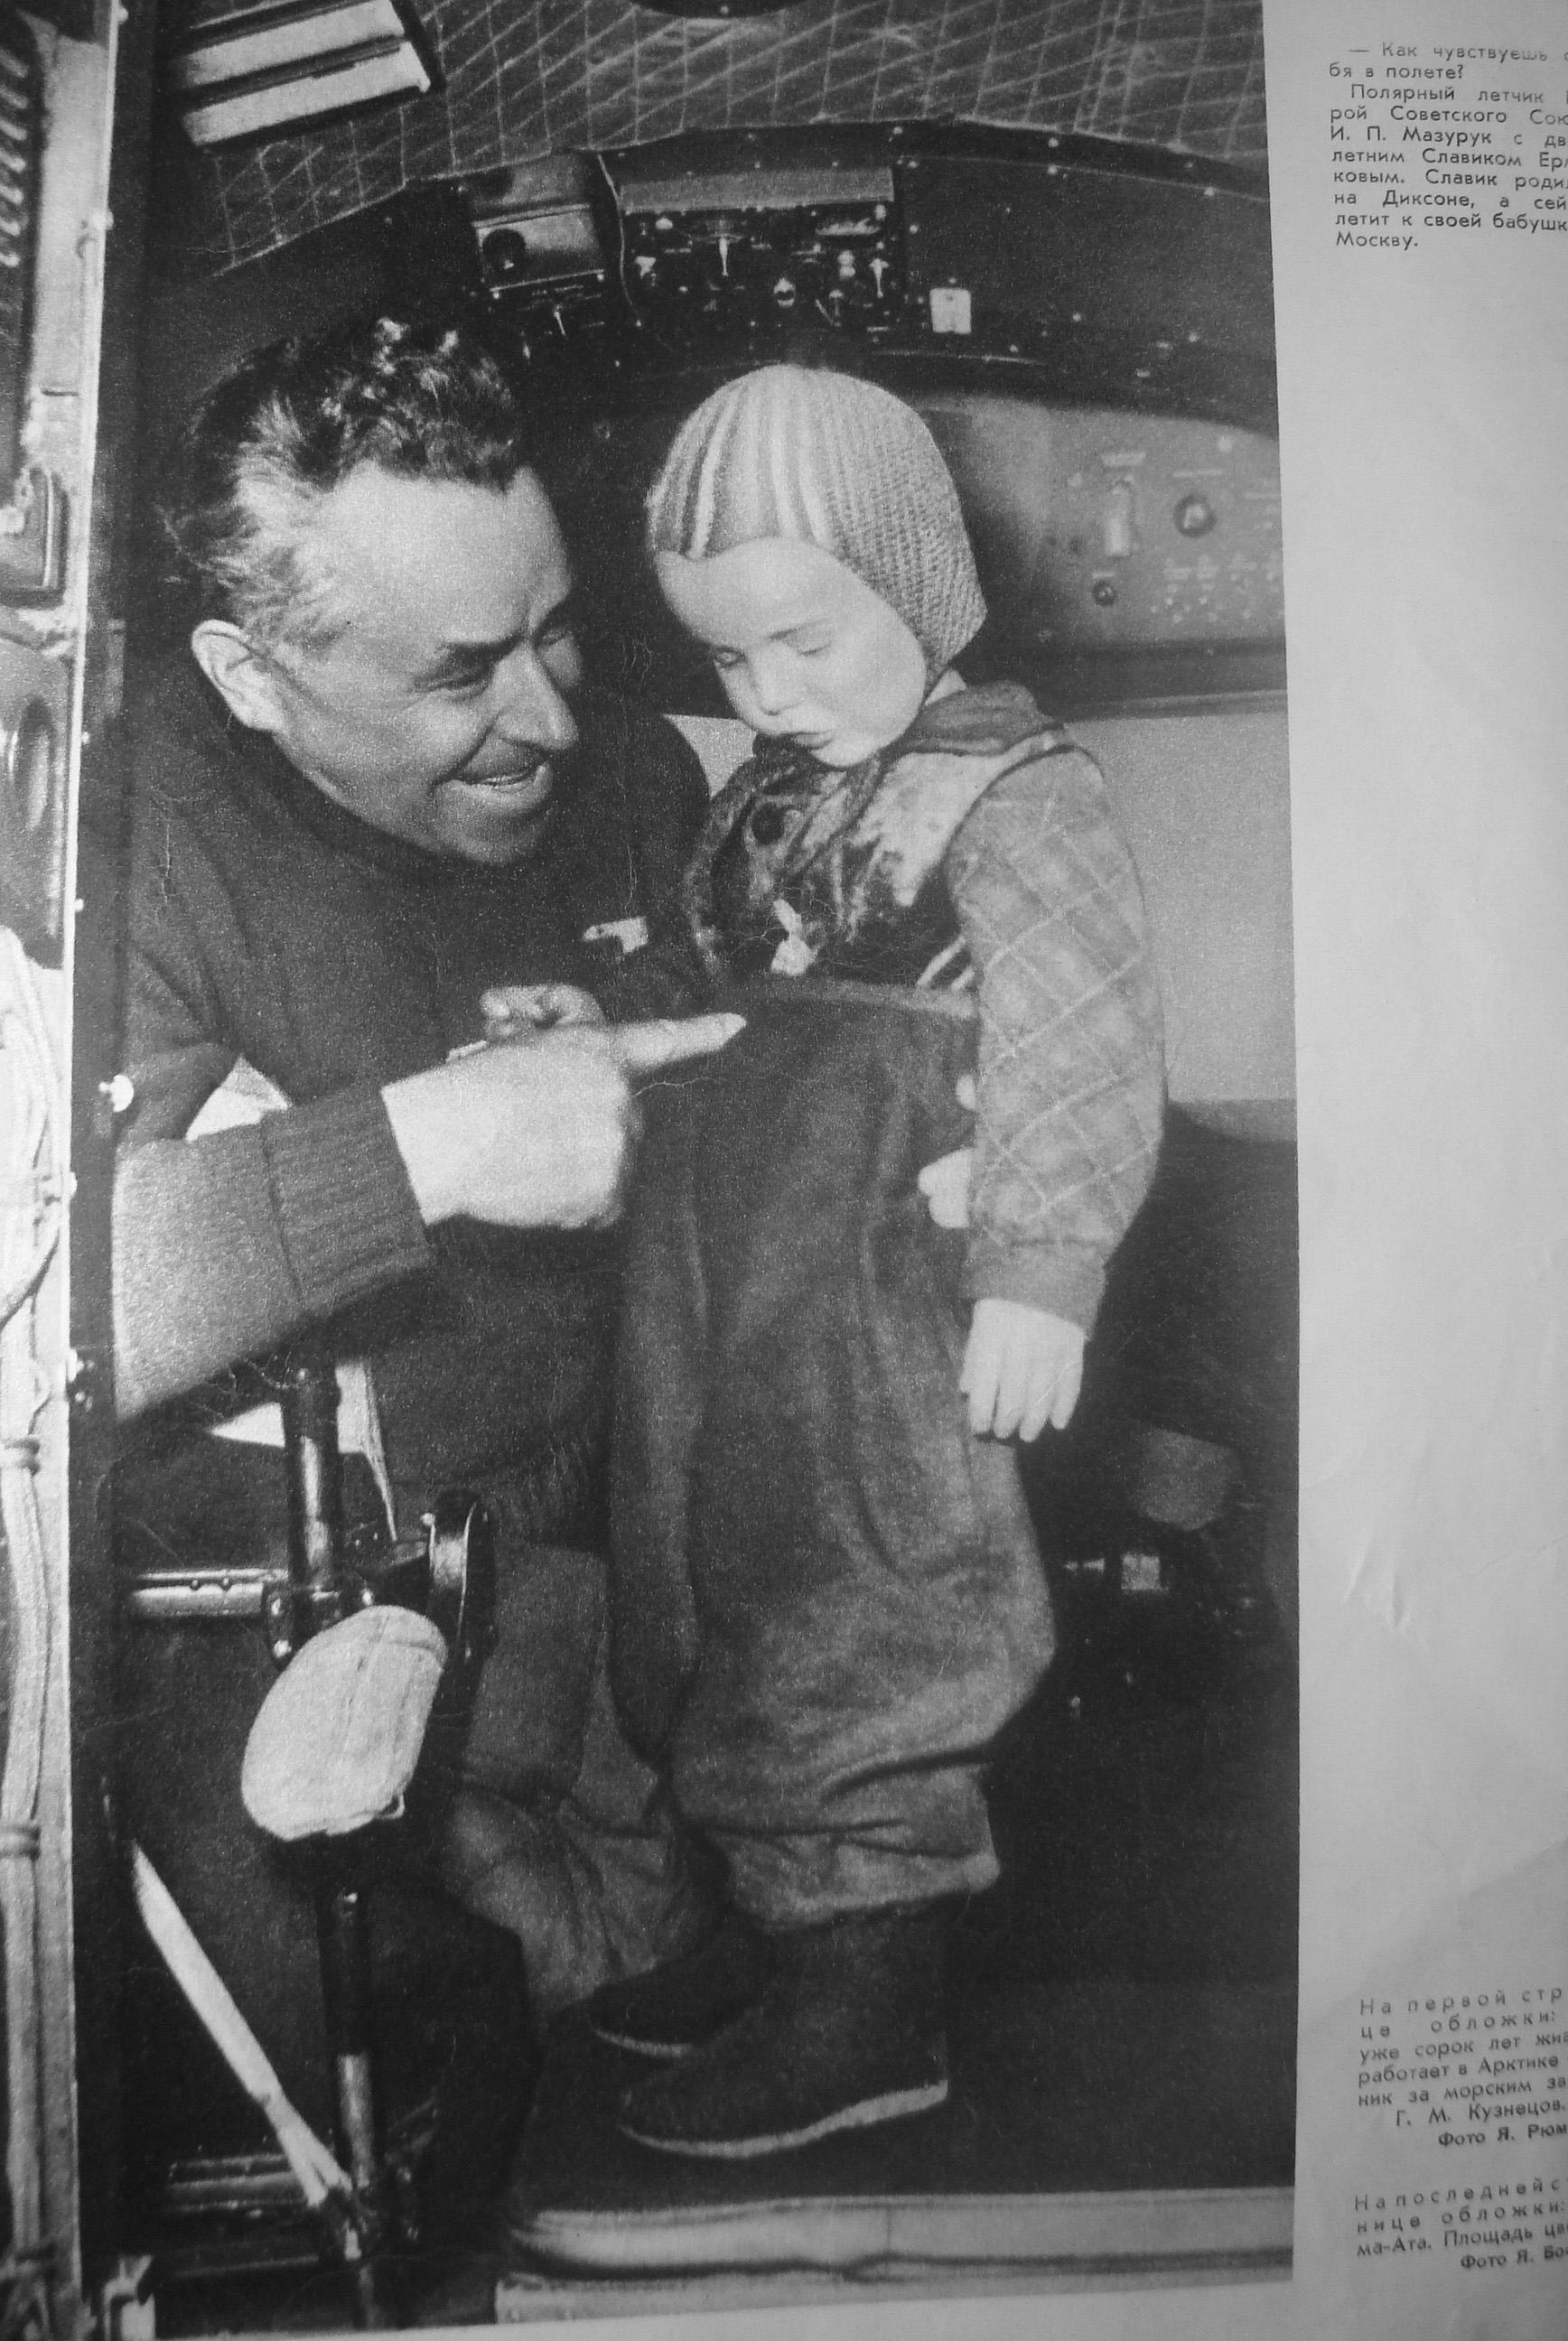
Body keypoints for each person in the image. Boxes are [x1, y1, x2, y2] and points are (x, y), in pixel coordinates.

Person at [109, 315, 742, 2098]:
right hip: (321, 1597)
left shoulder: (641, 781)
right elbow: (54, 1313)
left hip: (630, 1549)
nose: (551, 718)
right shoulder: (131, 844)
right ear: (253, 676)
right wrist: (436, 1144)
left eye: (557, 630)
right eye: (464, 673)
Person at [586, 365, 1166, 2157]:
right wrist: (594, 1023)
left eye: (806, 643)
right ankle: (780, 1922)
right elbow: (722, 977)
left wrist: (1040, 1269)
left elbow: (1082, 1034)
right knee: (693, 1567)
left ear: (922, 588)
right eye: (730, 658)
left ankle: (869, 1982)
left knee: (859, 1591)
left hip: (876, 1278)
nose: (767, 693)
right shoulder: (783, 790)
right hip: (721, 1253)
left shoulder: (1017, 793)